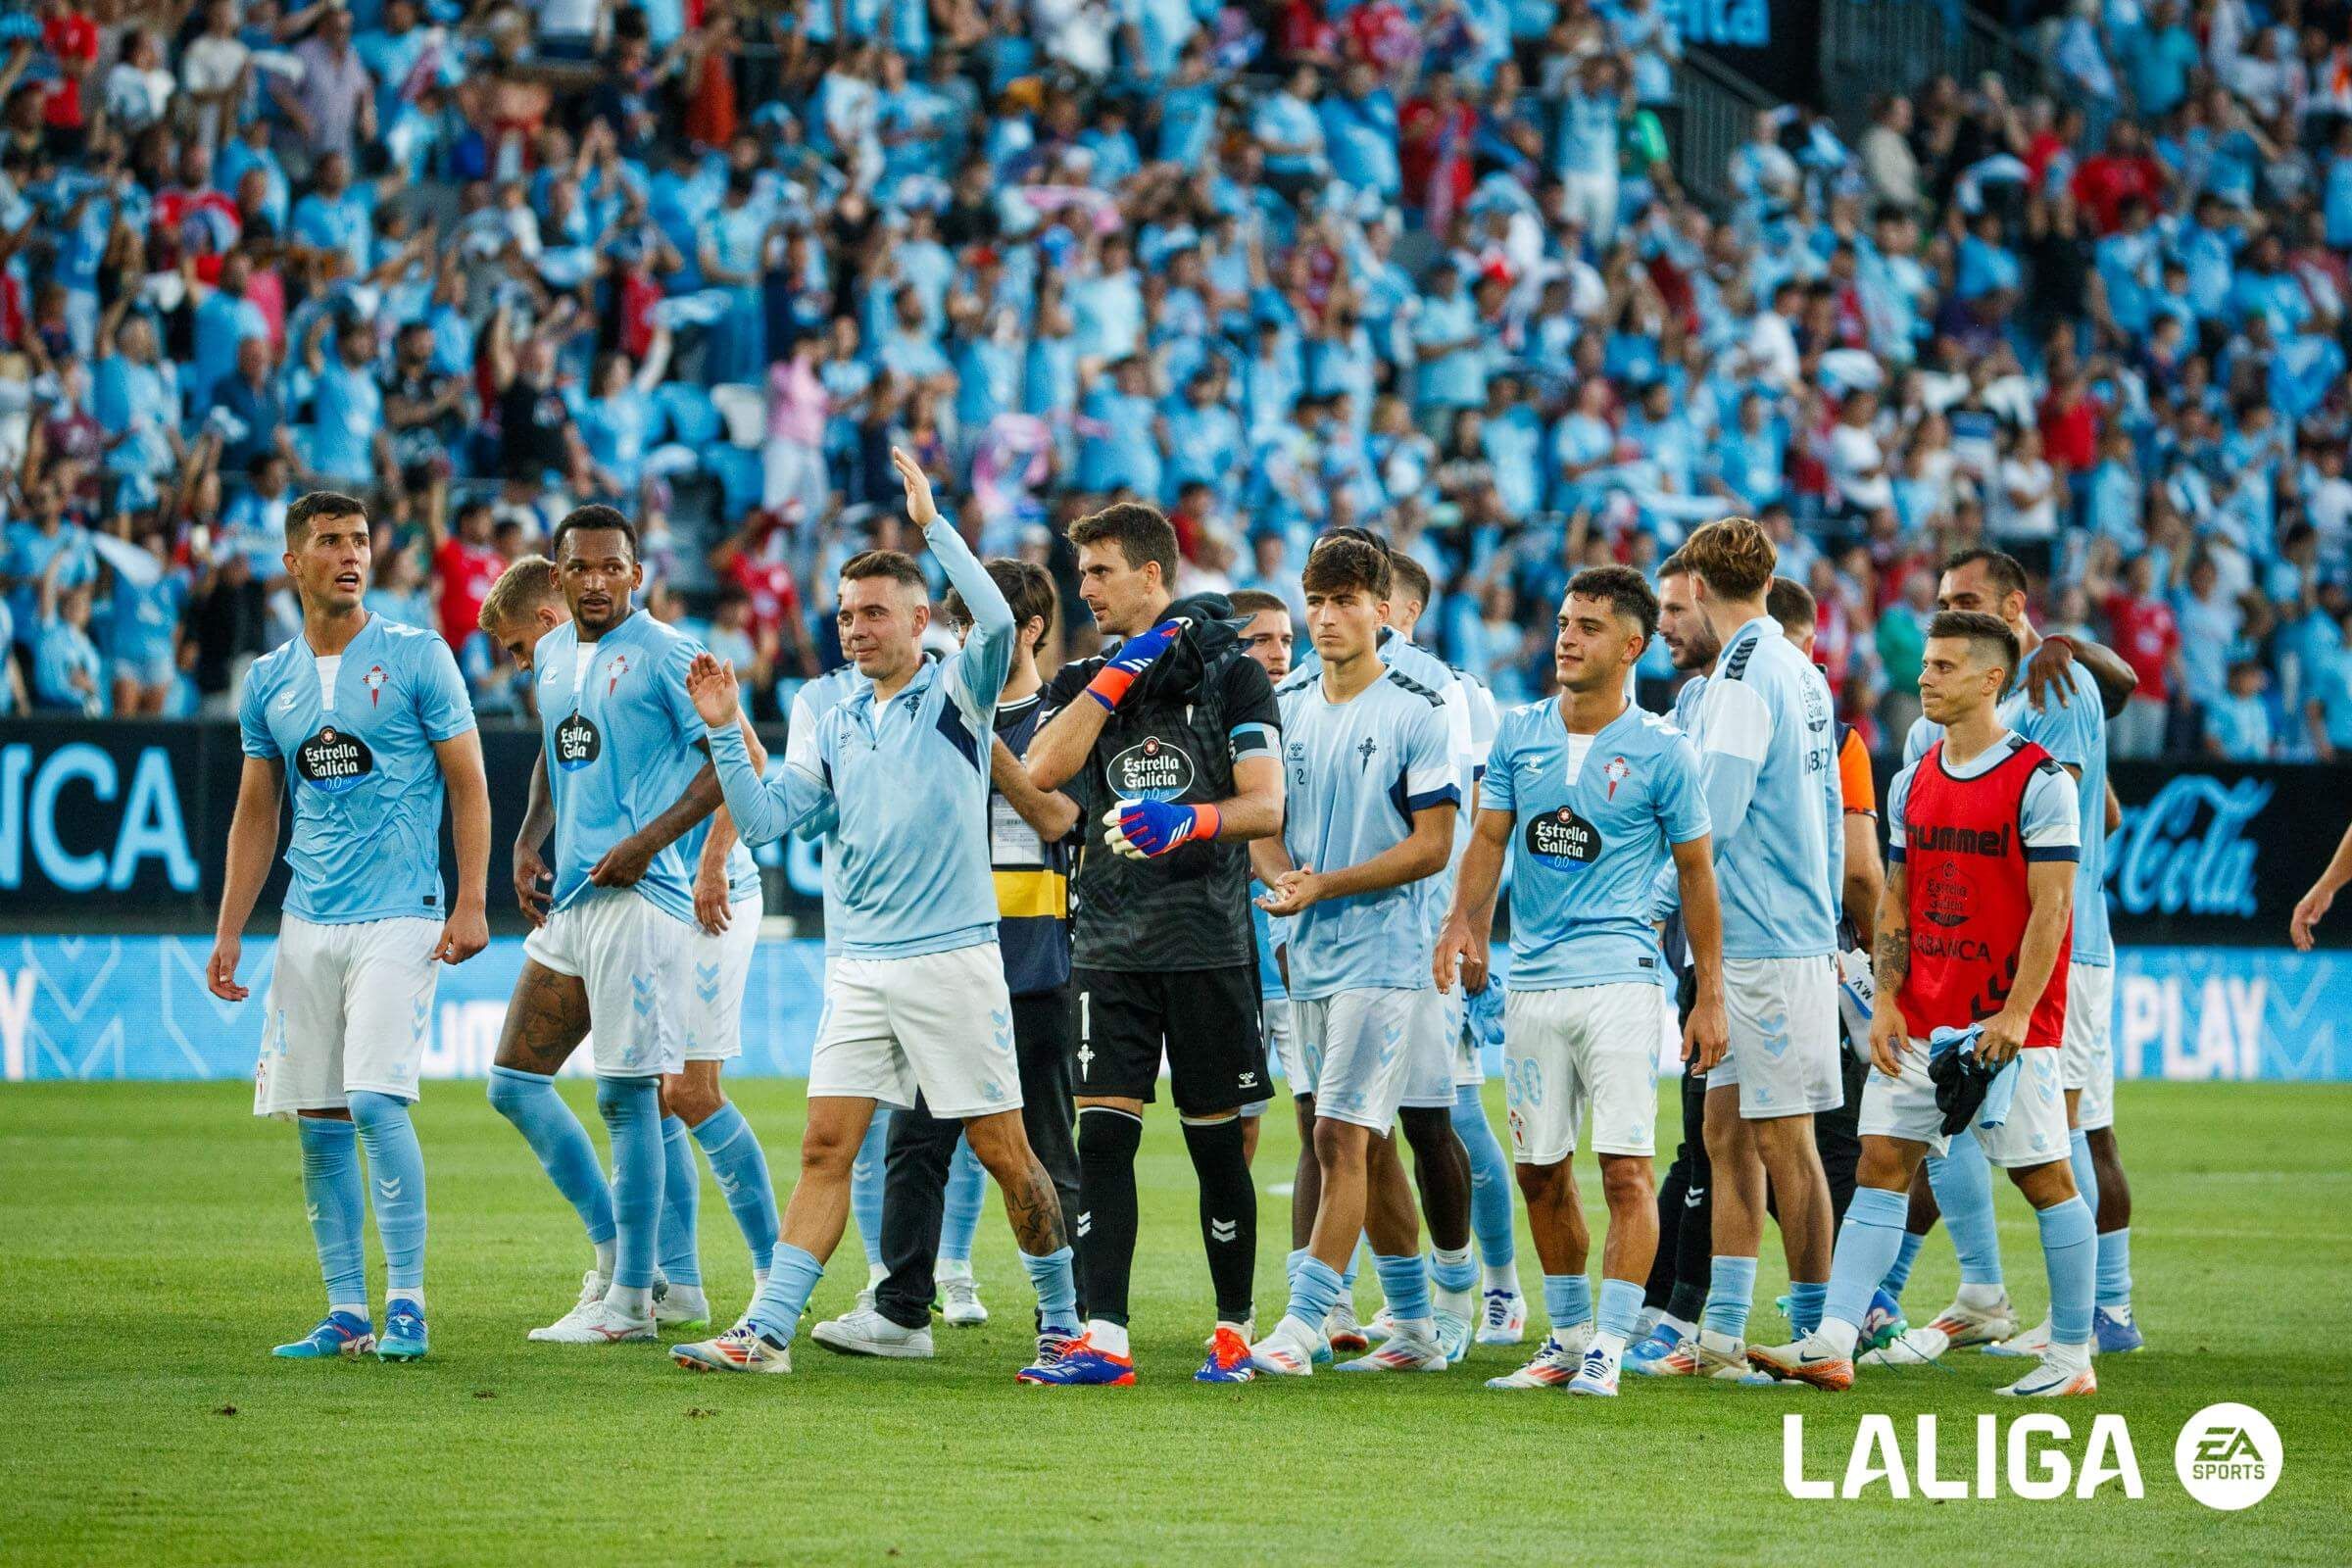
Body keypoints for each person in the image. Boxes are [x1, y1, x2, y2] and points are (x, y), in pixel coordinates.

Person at [669, 450, 1082, 1380]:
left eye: (874, 614)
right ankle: (766, 1334)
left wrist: (933, 522)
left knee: (1004, 1149)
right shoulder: (824, 706)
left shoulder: (958, 689)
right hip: (858, 964)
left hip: (951, 960)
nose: (855, 629)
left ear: (920, 620)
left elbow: (998, 617)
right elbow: (773, 818)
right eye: (847, 614)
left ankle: (1062, 1323)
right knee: (826, 1145)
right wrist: (728, 731)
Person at [1745, 611, 2099, 1399]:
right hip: (1921, 1018)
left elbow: (2053, 910)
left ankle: (2073, 1356)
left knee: (2045, 1180)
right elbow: (1898, 900)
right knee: (1882, 1166)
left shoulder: (2039, 781)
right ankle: (1835, 1339)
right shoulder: (1915, 779)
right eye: (1927, 665)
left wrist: (2015, 1015)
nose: (1924, 678)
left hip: (2011, 1027)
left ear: (1990, 679)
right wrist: (1887, 1001)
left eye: (1943, 666)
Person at [208, 491, 491, 1362]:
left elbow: (469, 782)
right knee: (320, 1118)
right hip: (307, 921)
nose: (350, 554)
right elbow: (258, 813)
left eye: (360, 540)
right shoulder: (270, 680)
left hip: (401, 914)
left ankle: (406, 1302)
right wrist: (229, 931)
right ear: (293, 563)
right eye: (329, 542)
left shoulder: (416, 655)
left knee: (374, 1099)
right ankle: (346, 1315)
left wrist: (472, 898)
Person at [475, 555, 781, 1338]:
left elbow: (742, 755)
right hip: (613, 892)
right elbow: (558, 750)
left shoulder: (659, 653)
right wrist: (531, 834)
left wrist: (711, 865)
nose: (517, 665)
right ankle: (668, 1282)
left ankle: (774, 1276)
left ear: (548, 616)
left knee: (683, 1092)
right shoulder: (565, 668)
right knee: (642, 1095)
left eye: (515, 647)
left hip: (707, 892)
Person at [1439, 566, 1727, 1396]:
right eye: (1565, 621)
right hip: (1530, 984)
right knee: (1539, 1171)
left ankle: (1609, 1341)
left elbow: (1698, 876)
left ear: (1634, 646)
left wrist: (1708, 993)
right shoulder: (1520, 733)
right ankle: (1565, 1339)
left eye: (1590, 626)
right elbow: (1488, 840)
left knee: (1626, 1170)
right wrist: (1465, 922)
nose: (1567, 637)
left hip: (1622, 984)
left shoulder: (1666, 750)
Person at [1017, 501, 1287, 1386]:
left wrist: (1191, 821)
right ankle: (1107, 1340)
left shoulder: (1232, 678)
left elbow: (1266, 805)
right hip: (1109, 945)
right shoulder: (1083, 679)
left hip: (1207, 945)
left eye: (1100, 572)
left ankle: (1234, 1333)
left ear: (1152, 576)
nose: (1084, 588)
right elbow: (1043, 772)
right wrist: (1114, 677)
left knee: (1217, 1146)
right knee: (1102, 1145)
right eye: (1081, 572)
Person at [810, 558, 1088, 1360]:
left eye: (972, 630)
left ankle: (1067, 1320)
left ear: (1023, 631)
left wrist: (978, 740)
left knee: (1038, 1141)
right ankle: (902, 1307)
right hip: (935, 948)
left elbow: (1057, 819)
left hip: (1029, 951)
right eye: (955, 628)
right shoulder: (915, 709)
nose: (959, 645)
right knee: (915, 1142)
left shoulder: (1060, 717)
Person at [1880, 550, 2144, 1363]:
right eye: (1945, 600)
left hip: (2057, 950)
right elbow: (2110, 811)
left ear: (2014, 606)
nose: (1952, 611)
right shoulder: (1966, 707)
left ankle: (2101, 1312)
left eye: (1969, 599)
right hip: (1981, 950)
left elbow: (2054, 829)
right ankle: (1986, 1294)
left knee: (2064, 1138)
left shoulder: (2055, 686)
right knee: (1957, 1123)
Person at [1244, 538, 1461, 1377]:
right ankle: (1412, 1330)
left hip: (1386, 954)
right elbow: (1264, 820)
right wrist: (1287, 888)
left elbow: (1433, 845)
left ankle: (1301, 1329)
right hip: (1308, 951)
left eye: (1345, 601)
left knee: (1338, 1134)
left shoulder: (1418, 706)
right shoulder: (1287, 703)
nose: (1328, 618)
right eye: (1317, 601)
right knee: (1360, 1145)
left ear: (1381, 606)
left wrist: (1323, 885)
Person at [1644, 516, 1841, 1382]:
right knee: (1726, 1134)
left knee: (1784, 1139)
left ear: (1696, 585)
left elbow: (1708, 825)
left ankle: (1816, 1332)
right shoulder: (1800, 671)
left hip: (1759, 940)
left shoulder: (1740, 678)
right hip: (1785, 929)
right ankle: (1720, 1336)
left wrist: (1648, 903)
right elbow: (1830, 812)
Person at [1390, 552, 1522, 1348]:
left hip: (1438, 935)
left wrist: (1471, 920)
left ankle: (1499, 1286)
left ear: (1402, 609)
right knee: (1354, 1126)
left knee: (1457, 1117)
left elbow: (1490, 814)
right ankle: (1406, 1299)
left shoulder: (1457, 693)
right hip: (1363, 934)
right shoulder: (1323, 682)